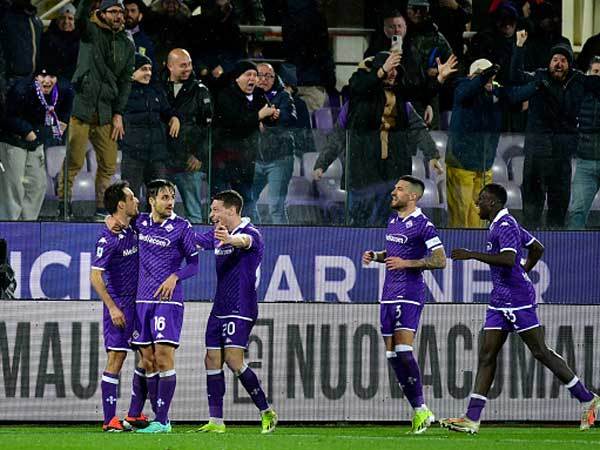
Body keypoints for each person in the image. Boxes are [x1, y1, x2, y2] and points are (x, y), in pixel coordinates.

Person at [440, 183, 600, 434]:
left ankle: (587, 398)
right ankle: (471, 418)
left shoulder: (505, 226)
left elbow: (507, 259)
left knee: (540, 352)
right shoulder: (504, 224)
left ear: (492, 203)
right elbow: (537, 248)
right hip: (499, 301)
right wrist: (524, 271)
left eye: (481, 199)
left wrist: (473, 254)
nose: (477, 203)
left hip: (517, 299)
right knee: (486, 355)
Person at [362, 176, 446, 434]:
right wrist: (377, 256)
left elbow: (440, 260)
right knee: (391, 355)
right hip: (388, 293)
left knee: (403, 350)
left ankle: (421, 408)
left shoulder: (423, 225)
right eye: (394, 187)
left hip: (409, 293)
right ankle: (420, 410)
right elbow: (393, 253)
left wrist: (407, 264)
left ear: (413, 196)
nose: (393, 192)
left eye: (399, 189)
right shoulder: (393, 221)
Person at [192, 190, 277, 434]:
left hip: (241, 306)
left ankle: (266, 411)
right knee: (211, 359)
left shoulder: (251, 234)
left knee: (233, 360)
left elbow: (244, 243)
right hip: (219, 306)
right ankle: (216, 421)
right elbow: (197, 240)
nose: (211, 214)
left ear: (232, 210)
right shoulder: (218, 234)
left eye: (216, 209)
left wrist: (230, 240)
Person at [129, 179, 199, 433]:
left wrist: (175, 276)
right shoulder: (139, 223)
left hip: (167, 302)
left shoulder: (181, 226)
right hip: (141, 300)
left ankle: (162, 420)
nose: (170, 202)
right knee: (147, 360)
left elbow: (194, 263)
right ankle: (143, 416)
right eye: (165, 198)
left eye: (172, 197)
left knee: (163, 358)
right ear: (151, 200)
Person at [511, 30, 600, 228]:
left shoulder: (578, 81)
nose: (558, 64)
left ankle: (556, 253)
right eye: (555, 59)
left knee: (558, 213)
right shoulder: (538, 77)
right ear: (549, 62)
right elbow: (515, 76)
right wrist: (518, 47)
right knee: (531, 212)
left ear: (569, 64)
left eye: (563, 60)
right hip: (536, 156)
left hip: (562, 158)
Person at [56, 0, 135, 218]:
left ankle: (102, 208)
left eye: (121, 12)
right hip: (80, 107)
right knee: (75, 160)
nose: (119, 16)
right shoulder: (89, 32)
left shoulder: (127, 44)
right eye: (113, 12)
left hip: (106, 111)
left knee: (109, 163)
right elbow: (80, 17)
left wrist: (118, 112)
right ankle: (64, 205)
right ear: (101, 14)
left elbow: (125, 82)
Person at [91, 180, 150, 432]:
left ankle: (134, 414)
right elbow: (95, 276)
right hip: (120, 305)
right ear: (120, 205)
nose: (137, 201)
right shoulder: (109, 238)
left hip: (138, 303)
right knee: (116, 357)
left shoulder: (132, 227)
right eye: (132, 197)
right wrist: (113, 308)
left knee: (147, 357)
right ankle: (109, 420)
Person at [0, 67, 74, 220]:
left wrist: (63, 121)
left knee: (37, 185)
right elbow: (7, 116)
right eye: (42, 76)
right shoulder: (21, 88)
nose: (47, 81)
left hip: (35, 143)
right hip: (13, 142)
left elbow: (66, 106)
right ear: (35, 77)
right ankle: (9, 229)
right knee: (13, 189)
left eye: (52, 76)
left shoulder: (63, 90)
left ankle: (27, 226)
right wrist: (28, 132)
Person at [212, 60, 279, 213]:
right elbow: (234, 123)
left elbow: (267, 115)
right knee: (221, 203)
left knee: (246, 201)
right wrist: (259, 116)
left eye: (255, 75)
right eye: (248, 74)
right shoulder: (226, 96)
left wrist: (273, 116)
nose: (252, 78)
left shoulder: (259, 94)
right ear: (237, 78)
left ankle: (246, 234)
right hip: (223, 160)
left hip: (246, 161)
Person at [120, 53, 180, 206]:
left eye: (150, 69)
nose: (148, 73)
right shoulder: (123, 92)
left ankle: (156, 229)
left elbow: (167, 110)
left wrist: (174, 117)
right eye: (143, 69)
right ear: (132, 72)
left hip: (156, 154)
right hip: (133, 153)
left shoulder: (156, 91)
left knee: (158, 197)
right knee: (130, 196)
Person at [162, 48, 212, 223]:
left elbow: (208, 128)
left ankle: (196, 247)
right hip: (163, 161)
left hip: (189, 162)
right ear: (170, 66)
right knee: (159, 213)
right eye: (183, 65)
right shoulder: (159, 88)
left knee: (194, 214)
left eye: (189, 64)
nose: (188, 68)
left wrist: (199, 155)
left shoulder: (200, 90)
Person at [248, 62, 297, 224]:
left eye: (269, 76)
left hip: (280, 159)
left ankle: (284, 244)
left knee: (275, 206)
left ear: (275, 78)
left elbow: (290, 118)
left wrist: (272, 118)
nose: (264, 79)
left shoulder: (283, 96)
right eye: (260, 75)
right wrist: (259, 119)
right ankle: (257, 236)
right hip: (255, 159)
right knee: (248, 201)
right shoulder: (249, 96)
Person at [568, 56, 600, 229]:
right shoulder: (579, 94)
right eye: (595, 72)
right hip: (585, 163)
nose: (598, 77)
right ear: (588, 73)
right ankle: (570, 253)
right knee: (577, 212)